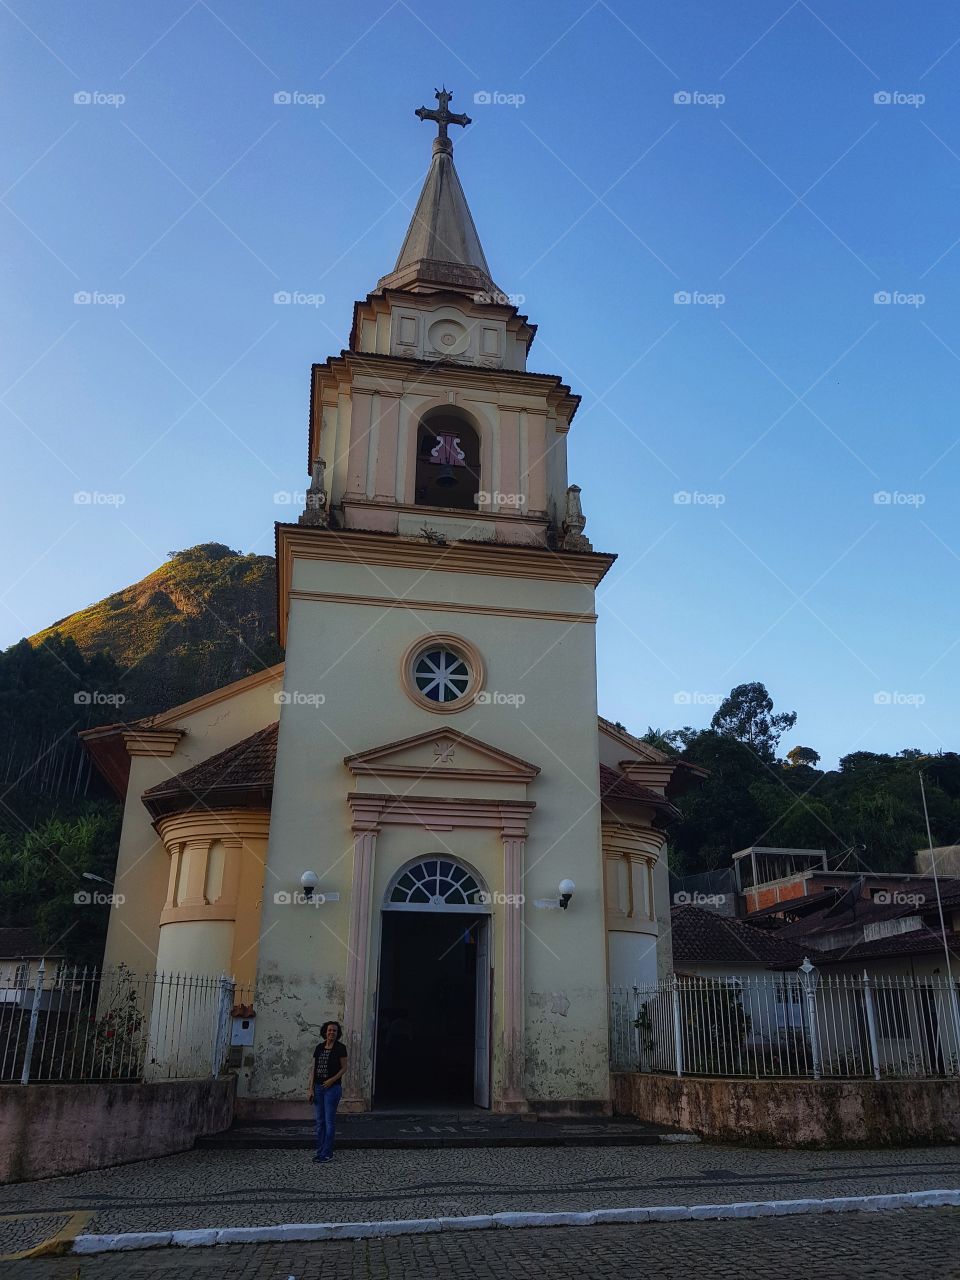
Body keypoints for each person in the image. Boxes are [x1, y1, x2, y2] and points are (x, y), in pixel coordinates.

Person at [308, 1020, 347, 1162]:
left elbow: (344, 1068)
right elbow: (313, 1069)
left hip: (333, 1088)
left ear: (338, 1033)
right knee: (320, 1122)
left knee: (329, 1121)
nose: (332, 1033)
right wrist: (310, 1088)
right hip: (318, 1088)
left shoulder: (340, 1048)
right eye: (330, 1030)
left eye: (335, 1031)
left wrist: (332, 1080)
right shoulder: (319, 1047)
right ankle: (320, 1150)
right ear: (325, 1032)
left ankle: (327, 1153)